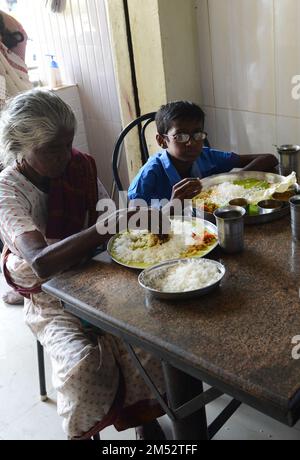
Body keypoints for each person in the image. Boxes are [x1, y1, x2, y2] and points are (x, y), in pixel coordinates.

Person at [0, 89, 165, 440]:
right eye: (52, 149)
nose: (65, 157)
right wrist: (109, 225)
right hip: (48, 296)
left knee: (147, 341)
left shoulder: (80, 166)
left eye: (68, 145)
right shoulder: (8, 192)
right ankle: (85, 434)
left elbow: (107, 219)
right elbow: (42, 262)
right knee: (84, 366)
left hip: (93, 275)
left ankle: (144, 418)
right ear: (20, 145)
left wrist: (140, 225)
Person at [128, 101, 278, 205]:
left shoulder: (205, 156)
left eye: (197, 134)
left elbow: (269, 159)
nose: (191, 142)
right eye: (180, 136)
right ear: (162, 141)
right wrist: (172, 206)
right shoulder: (150, 174)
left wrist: (233, 180)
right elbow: (133, 223)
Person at [0, 10, 32, 305]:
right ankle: (21, 274)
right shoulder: (9, 23)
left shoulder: (7, 23)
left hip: (12, 123)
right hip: (18, 117)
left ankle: (22, 278)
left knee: (16, 208)